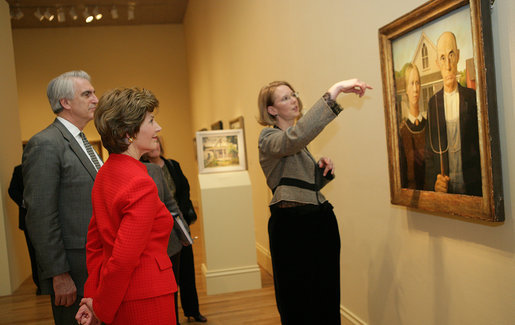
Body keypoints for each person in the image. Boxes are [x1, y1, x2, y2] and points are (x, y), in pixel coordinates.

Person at [257, 79, 372, 324]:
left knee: (325, 298)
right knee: (298, 301)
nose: (294, 100)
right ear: (271, 110)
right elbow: (293, 139)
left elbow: (301, 186)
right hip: (292, 228)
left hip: (318, 223)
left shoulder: (300, 144)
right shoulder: (268, 138)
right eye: (285, 97)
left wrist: (321, 171)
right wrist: (336, 90)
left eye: (293, 94)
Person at [75, 87, 177, 325]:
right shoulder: (140, 182)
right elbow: (122, 260)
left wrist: (93, 296)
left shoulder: (106, 173)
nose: (158, 128)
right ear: (128, 133)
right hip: (145, 297)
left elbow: (95, 245)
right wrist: (100, 308)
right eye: (151, 121)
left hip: (121, 295)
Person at [22, 70, 101, 324]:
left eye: (94, 93)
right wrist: (59, 274)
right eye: (87, 93)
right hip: (73, 266)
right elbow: (40, 214)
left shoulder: (81, 141)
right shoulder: (45, 143)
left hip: (94, 260)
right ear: (65, 103)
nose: (96, 99)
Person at [142, 137, 207, 323]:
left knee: (187, 272)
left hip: (179, 223)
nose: (155, 146)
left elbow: (184, 191)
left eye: (158, 143)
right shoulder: (144, 168)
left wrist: (183, 218)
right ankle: (171, 317)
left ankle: (192, 310)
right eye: (152, 142)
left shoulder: (172, 165)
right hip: (160, 229)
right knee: (169, 278)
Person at [424, 31, 482, 196]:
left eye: (451, 55)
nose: (448, 65)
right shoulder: (433, 104)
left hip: (473, 189)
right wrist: (434, 186)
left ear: (457, 56)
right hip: (446, 193)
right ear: (437, 63)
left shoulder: (472, 99)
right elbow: (429, 155)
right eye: (442, 58)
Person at [8, 164, 40, 295]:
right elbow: (12, 190)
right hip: (27, 219)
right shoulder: (18, 170)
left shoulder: (43, 167)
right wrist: (24, 202)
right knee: (33, 253)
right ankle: (39, 284)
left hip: (48, 217)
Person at [399, 64, 426, 190]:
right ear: (406, 89)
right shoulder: (402, 131)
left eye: (417, 83)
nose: (415, 89)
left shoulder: (429, 125)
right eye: (411, 83)